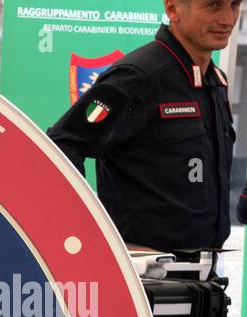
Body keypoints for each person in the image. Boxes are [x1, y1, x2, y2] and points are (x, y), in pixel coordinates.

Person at [47, 0, 240, 252]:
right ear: (173, 8)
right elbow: (63, 144)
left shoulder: (214, 81)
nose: (227, 19)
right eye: (213, 6)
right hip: (146, 278)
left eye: (234, 5)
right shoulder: (139, 76)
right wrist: (87, 231)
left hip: (205, 273)